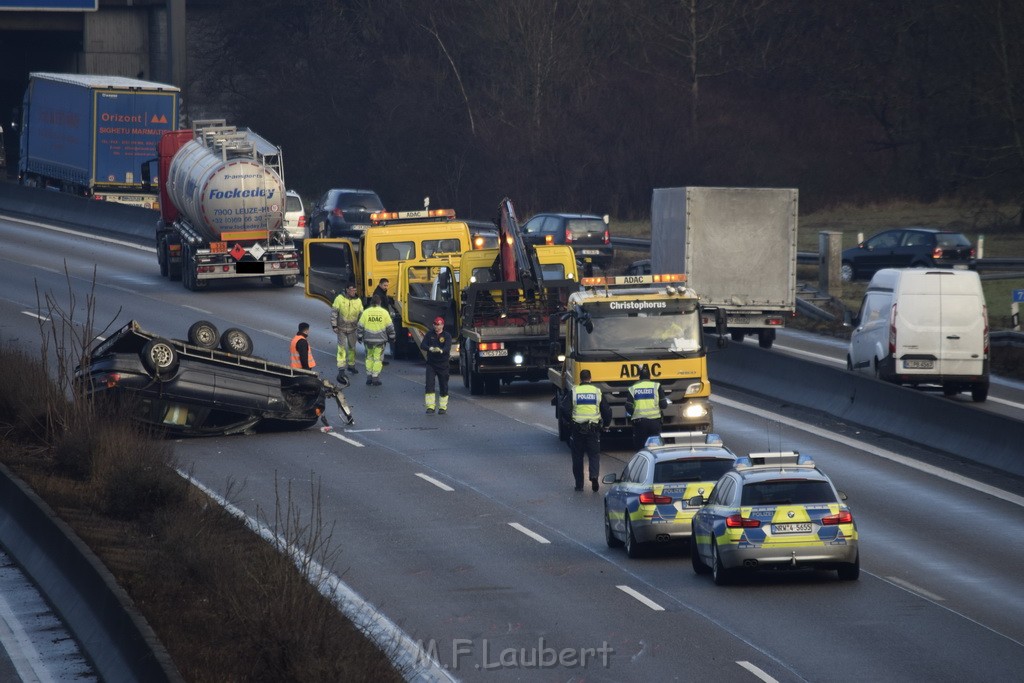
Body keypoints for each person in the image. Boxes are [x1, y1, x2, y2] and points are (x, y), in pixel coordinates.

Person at [562, 369, 612, 492]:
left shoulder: (574, 391)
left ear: (580, 379)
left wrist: (570, 422)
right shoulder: (597, 392)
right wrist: (606, 425)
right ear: (590, 378)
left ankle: (579, 485)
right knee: (594, 455)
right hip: (593, 430)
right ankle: (594, 476)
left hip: (577, 430)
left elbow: (564, 408)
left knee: (577, 457)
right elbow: (606, 410)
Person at [625, 366, 668, 450]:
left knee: (641, 448)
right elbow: (664, 405)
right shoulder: (656, 386)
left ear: (639, 377)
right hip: (655, 422)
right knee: (656, 448)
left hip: (640, 423)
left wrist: (636, 413)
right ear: (650, 377)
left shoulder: (633, 388)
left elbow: (628, 406)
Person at [357, 295, 396, 385]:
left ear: (371, 302)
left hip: (368, 340)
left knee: (369, 358)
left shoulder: (366, 312)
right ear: (380, 302)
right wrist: (392, 337)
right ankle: (375, 377)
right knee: (377, 359)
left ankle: (369, 377)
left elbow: (360, 326)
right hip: (380, 341)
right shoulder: (384, 312)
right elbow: (390, 327)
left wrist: (359, 336)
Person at [330, 283, 363, 381]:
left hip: (353, 329)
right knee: (341, 349)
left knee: (352, 348)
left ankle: (351, 365)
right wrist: (334, 325)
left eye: (355, 290)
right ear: (347, 290)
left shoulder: (358, 301)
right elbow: (334, 313)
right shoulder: (339, 299)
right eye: (352, 290)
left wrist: (361, 328)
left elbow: (361, 315)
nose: (354, 292)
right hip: (341, 328)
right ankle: (341, 368)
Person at [421, 316, 452, 414]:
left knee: (443, 385)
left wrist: (441, 350)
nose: (436, 327)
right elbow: (423, 345)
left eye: (438, 325)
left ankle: (442, 407)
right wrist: (430, 348)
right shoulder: (429, 334)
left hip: (443, 364)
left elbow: (447, 347)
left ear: (442, 325)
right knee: (429, 385)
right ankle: (430, 407)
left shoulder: (447, 335)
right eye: (435, 324)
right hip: (431, 364)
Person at [371, 278, 397, 363]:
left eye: (387, 285)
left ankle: (380, 358)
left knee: (382, 340)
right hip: (381, 320)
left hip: (383, 318)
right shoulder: (378, 294)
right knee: (381, 340)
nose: (386, 287)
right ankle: (378, 359)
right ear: (380, 284)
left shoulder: (382, 292)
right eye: (385, 285)